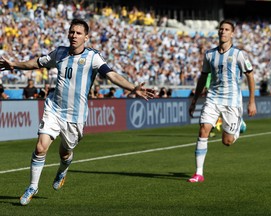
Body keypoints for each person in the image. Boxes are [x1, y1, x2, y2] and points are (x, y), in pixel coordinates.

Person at [0, 18, 155, 205]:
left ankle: (62, 170)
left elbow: (111, 75)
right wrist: (14, 64)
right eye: (72, 32)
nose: (74, 35)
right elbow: (37, 63)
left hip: (75, 117)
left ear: (86, 37)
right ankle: (33, 186)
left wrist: (133, 88)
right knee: (41, 147)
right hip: (54, 109)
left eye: (78, 33)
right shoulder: (59, 53)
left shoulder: (93, 57)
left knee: (65, 154)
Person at [187, 19, 257, 183]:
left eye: (226, 29)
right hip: (213, 97)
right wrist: (194, 100)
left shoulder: (239, 54)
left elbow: (250, 75)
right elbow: (203, 78)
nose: (223, 32)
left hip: (232, 101)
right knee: (204, 129)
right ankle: (198, 173)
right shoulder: (209, 55)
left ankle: (240, 125)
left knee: (227, 141)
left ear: (232, 33)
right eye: (221, 29)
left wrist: (252, 101)